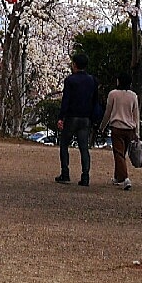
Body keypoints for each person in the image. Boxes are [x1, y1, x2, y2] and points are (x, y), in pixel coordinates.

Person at [55, 52, 98, 187]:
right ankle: (85, 176)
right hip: (85, 118)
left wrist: (61, 117)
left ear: (75, 65)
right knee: (83, 148)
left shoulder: (70, 80)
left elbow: (66, 100)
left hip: (72, 117)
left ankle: (65, 173)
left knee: (64, 145)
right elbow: (95, 101)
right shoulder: (92, 80)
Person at [97, 72, 140, 190]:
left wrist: (102, 126)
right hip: (130, 129)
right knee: (121, 154)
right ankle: (117, 177)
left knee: (118, 154)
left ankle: (125, 179)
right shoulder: (133, 96)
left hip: (117, 127)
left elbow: (108, 112)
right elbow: (136, 115)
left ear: (119, 81)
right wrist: (137, 133)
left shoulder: (113, 94)